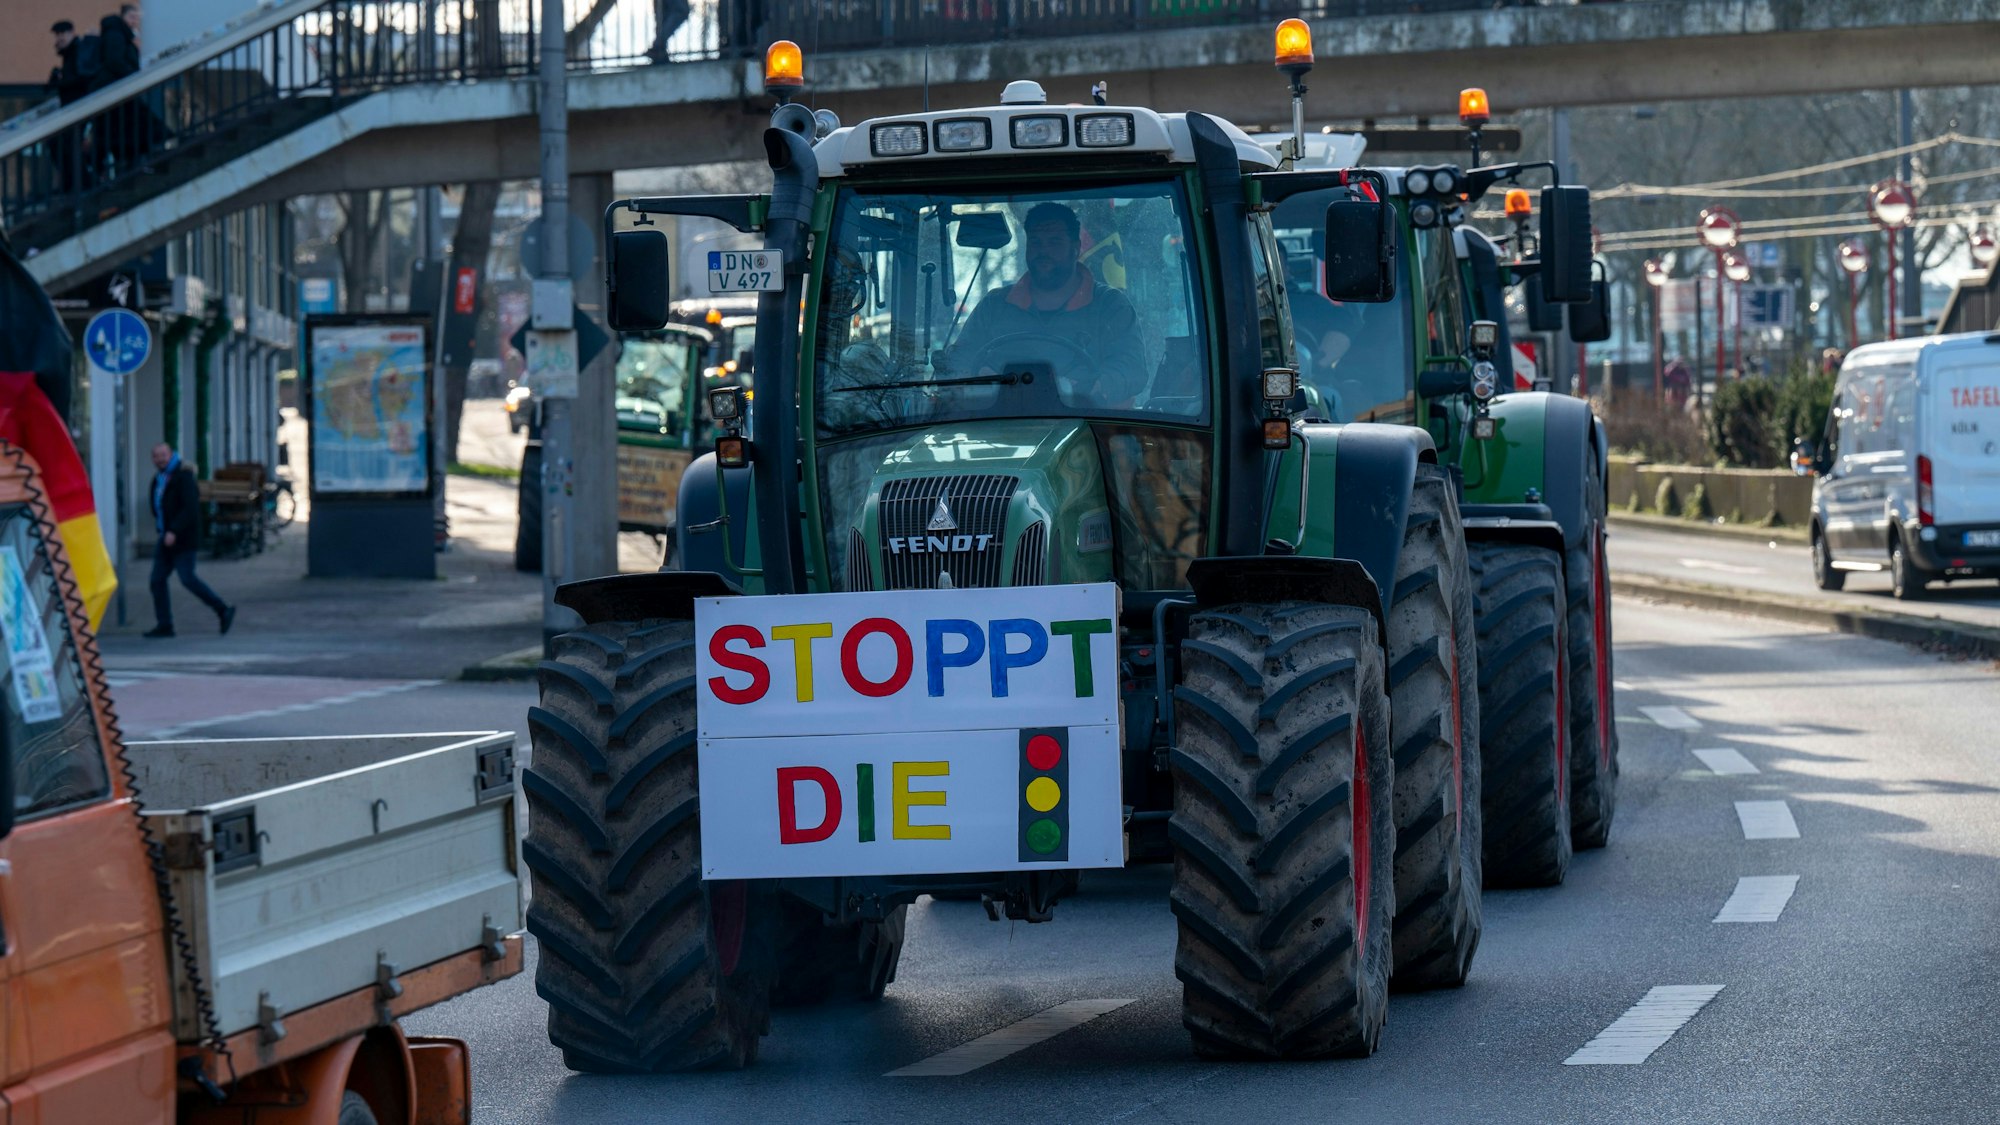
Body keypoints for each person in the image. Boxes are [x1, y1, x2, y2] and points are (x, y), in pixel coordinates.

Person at [946, 201, 1148, 405]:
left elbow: (1131, 369)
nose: (1044, 251)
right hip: (998, 421)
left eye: (1055, 242)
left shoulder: (1110, 306)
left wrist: (1093, 386)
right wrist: (978, 374)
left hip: (1086, 422)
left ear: (1076, 248)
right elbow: (957, 362)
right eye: (1036, 242)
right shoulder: (994, 306)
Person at [146, 443, 234, 638]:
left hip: (183, 539)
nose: (160, 459)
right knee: (157, 580)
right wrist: (164, 529)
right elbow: (157, 506)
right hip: (165, 537)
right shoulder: (158, 479)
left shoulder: (183, 477)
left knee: (188, 579)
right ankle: (165, 625)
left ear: (171, 455)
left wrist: (174, 531)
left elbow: (190, 509)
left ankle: (223, 610)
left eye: (163, 455)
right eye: (156, 456)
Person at [46, 21, 97, 194]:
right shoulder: (70, 54)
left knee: (66, 146)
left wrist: (60, 82)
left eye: (62, 33)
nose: (59, 38)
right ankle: (76, 184)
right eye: (57, 34)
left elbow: (81, 79)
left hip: (77, 110)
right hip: (73, 110)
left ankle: (79, 184)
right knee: (63, 145)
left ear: (71, 33)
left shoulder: (77, 52)